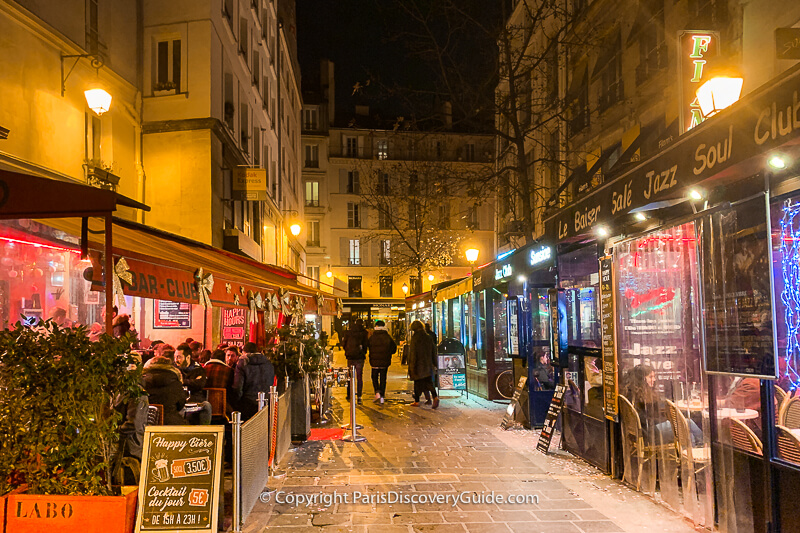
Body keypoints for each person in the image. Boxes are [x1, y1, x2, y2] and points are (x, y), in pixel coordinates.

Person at [624, 364, 702, 446]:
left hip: (645, 431)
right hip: (649, 433)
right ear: (641, 379)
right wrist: (666, 420)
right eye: (650, 377)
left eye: (654, 376)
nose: (654, 379)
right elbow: (645, 420)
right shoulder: (636, 397)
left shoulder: (634, 393)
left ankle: (694, 452)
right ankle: (704, 446)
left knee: (689, 435)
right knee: (688, 423)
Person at [142, 346, 186, 425]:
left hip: (145, 422)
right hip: (171, 423)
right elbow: (181, 403)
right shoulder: (175, 382)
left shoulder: (142, 381)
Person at [233, 342, 275, 420]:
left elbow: (238, 386)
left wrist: (236, 401)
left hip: (247, 403)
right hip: (265, 402)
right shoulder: (268, 363)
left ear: (244, 352)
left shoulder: (243, 363)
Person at [175, 343, 212, 425]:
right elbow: (174, 383)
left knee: (207, 406)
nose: (176, 360)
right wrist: (192, 381)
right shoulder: (174, 369)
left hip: (195, 399)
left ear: (187, 357)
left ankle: (204, 433)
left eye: (179, 357)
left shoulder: (198, 369)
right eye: (175, 357)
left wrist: (183, 381)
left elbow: (200, 384)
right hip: (179, 400)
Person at [408, 320, 439, 409]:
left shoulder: (415, 338)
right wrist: (435, 363)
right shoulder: (428, 337)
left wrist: (411, 366)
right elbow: (433, 351)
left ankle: (417, 401)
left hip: (418, 365)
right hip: (428, 364)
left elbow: (413, 353)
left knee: (417, 383)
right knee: (429, 382)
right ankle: (435, 397)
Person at [368, 320, 397, 404]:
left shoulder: (372, 337)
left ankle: (377, 392)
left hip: (374, 361)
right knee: (383, 378)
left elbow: (368, 346)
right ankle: (382, 396)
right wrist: (388, 353)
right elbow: (394, 348)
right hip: (385, 361)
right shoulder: (387, 336)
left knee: (374, 377)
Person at [341, 319, 368, 403]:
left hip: (350, 357)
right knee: (359, 376)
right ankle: (359, 396)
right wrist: (363, 352)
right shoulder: (364, 333)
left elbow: (344, 344)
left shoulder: (348, 332)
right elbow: (365, 345)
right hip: (359, 357)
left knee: (350, 376)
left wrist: (347, 351)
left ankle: (349, 394)